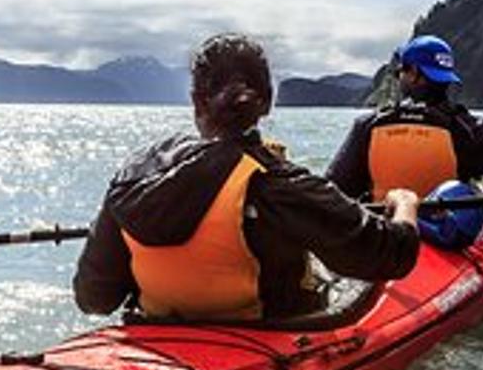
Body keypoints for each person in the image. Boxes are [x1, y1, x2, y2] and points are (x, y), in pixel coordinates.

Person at [73, 33, 423, 322]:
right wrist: (405, 205)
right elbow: (393, 256)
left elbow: (94, 298)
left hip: (157, 340)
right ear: (267, 103)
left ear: (196, 101)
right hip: (264, 343)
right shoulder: (277, 182)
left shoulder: (134, 173)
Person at [325, 34, 483, 206]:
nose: (399, 77)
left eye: (401, 71)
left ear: (415, 74)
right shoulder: (471, 129)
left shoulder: (368, 126)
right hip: (447, 240)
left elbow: (333, 192)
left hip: (383, 239)